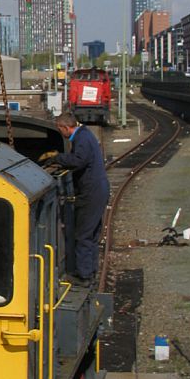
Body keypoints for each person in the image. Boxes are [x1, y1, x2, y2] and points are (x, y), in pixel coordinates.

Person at [42, 111, 110, 286]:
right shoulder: (86, 135)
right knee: (92, 234)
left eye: (60, 130)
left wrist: (57, 158)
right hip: (96, 190)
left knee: (83, 234)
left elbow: (78, 160)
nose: (61, 134)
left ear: (65, 127)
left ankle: (83, 275)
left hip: (91, 192)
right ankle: (90, 271)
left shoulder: (82, 139)